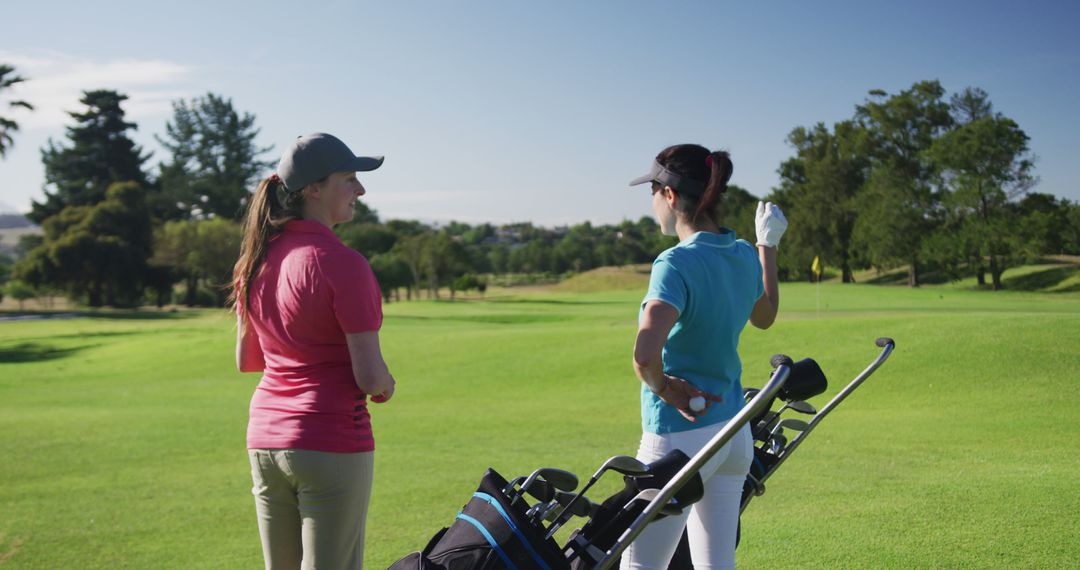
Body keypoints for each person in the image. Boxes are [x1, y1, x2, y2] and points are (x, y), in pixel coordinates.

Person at [230, 132, 396, 569]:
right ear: (313, 189)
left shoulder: (255, 260)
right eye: (349, 178)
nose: (360, 190)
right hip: (330, 441)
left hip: (265, 439)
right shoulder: (344, 262)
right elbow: (370, 378)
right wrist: (386, 385)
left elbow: (248, 361)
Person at [622, 144, 787, 570]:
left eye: (653, 193)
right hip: (733, 436)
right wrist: (766, 245)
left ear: (670, 196)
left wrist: (664, 387)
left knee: (640, 566)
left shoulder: (674, 264)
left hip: (679, 439)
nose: (653, 204)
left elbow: (644, 355)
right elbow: (765, 316)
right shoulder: (740, 254)